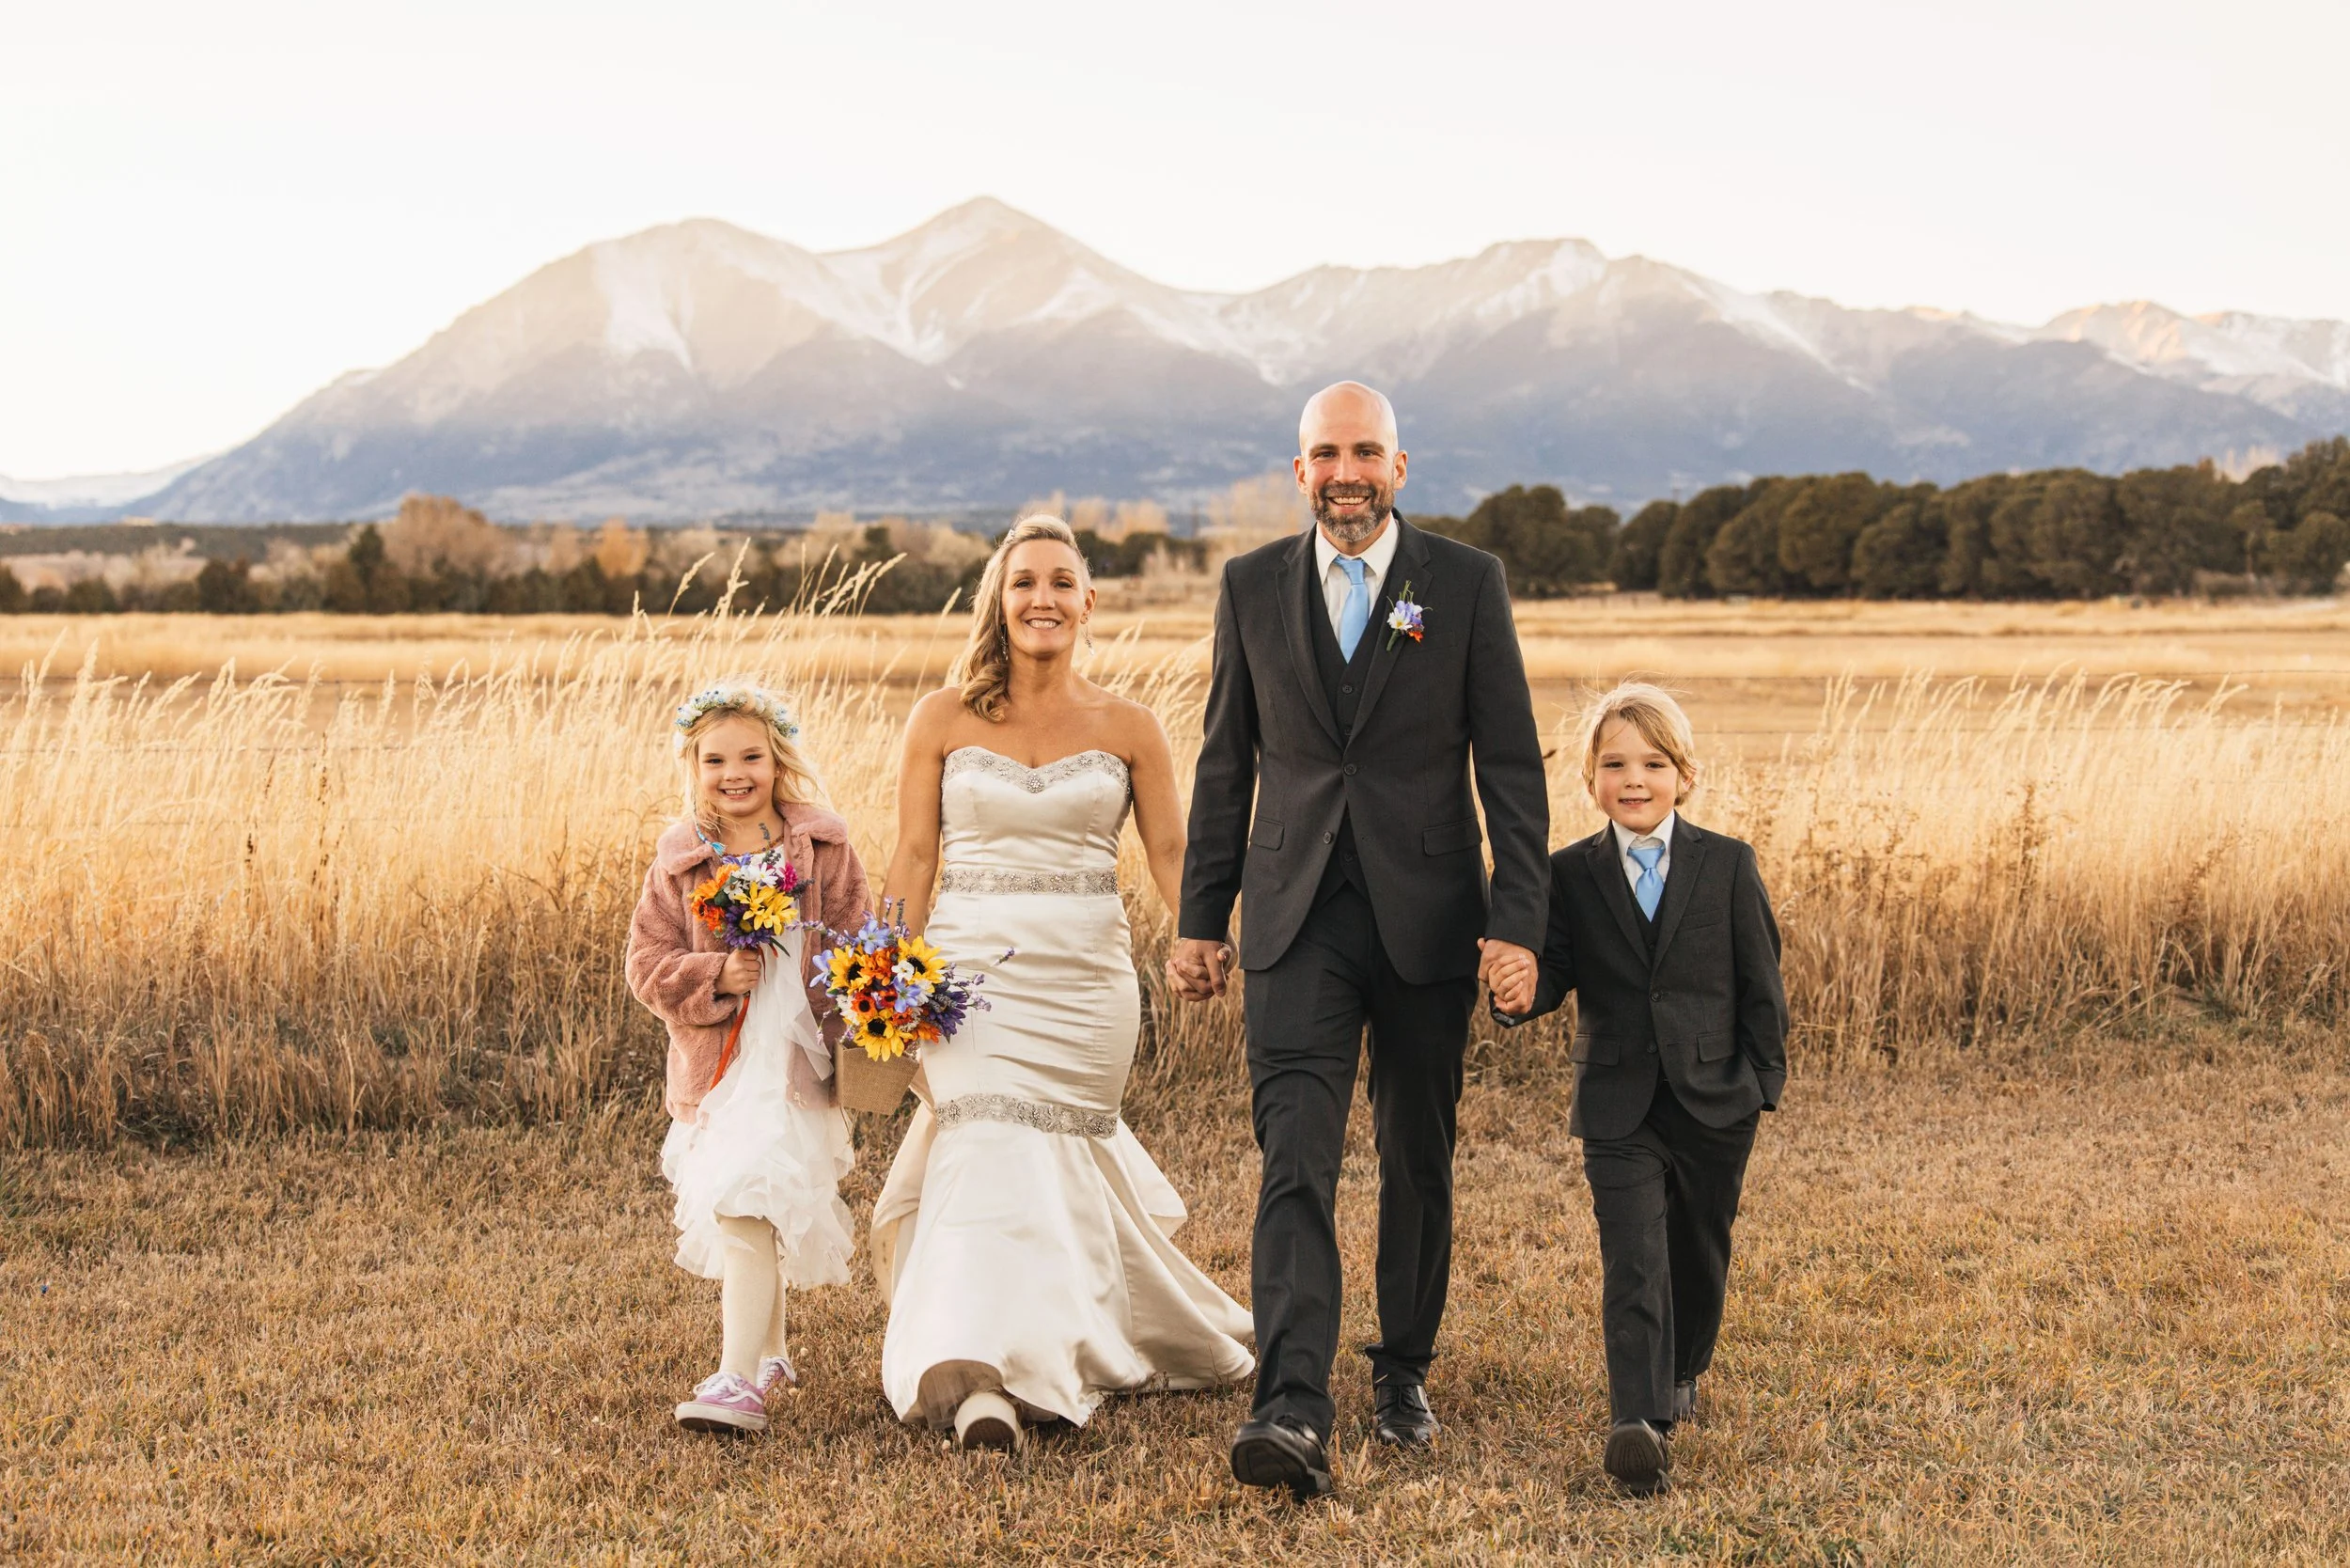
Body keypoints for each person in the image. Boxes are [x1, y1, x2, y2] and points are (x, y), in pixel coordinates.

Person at [1169, 383, 1551, 1498]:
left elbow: (1512, 767)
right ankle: (1290, 1405)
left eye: (1366, 452)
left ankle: (1401, 1368)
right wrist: (1203, 914)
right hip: (1294, 919)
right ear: (1299, 472)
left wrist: (1517, 923)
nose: (1346, 471)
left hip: (1431, 916)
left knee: (1415, 1152)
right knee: (1295, 1155)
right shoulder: (1248, 588)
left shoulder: (1465, 584)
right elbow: (1225, 761)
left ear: (1399, 466)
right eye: (1326, 453)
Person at [870, 516, 1254, 1453]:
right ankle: (981, 1382)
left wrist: (1206, 939)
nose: (1041, 598)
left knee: (1048, 1161)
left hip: (1086, 984)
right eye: (1021, 582)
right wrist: (880, 973)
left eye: (1059, 582)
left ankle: (1058, 1345)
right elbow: (915, 856)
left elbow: (1173, 850)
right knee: (986, 1143)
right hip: (967, 983)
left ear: (1089, 601)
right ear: (997, 603)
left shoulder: (1129, 727)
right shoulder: (943, 716)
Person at [1487, 682, 1788, 1495]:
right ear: (1590, 780)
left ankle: (1684, 1368)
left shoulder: (1727, 865)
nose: (1635, 779)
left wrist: (1763, 1083)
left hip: (1716, 1097)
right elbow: (1549, 974)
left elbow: (1762, 981)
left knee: (1697, 1248)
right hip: (1616, 1097)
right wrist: (1517, 992)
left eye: (1653, 764)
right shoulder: (1569, 874)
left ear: (1683, 775)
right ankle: (1639, 1422)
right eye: (1616, 764)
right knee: (1633, 1257)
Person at [624, 682, 873, 1435]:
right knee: (744, 1198)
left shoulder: (823, 848)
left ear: (777, 761)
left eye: (751, 757)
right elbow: (645, 963)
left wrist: (876, 1006)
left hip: (796, 1057)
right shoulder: (681, 862)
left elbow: (860, 936)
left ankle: (737, 1384)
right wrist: (711, 978)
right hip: (720, 1061)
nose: (735, 773)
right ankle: (769, 1353)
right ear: (693, 766)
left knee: (748, 1196)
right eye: (715, 760)